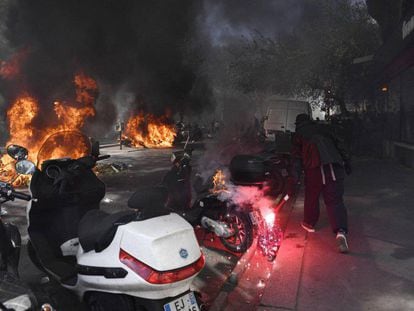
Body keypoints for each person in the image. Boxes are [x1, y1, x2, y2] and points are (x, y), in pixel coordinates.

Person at [289, 113, 352, 253]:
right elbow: (341, 145)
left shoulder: (299, 134)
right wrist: (347, 163)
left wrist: (295, 177)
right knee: (335, 200)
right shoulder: (324, 129)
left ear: (298, 124)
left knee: (312, 196)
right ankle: (340, 232)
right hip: (335, 166)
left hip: (315, 169)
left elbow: (296, 159)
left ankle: (309, 223)